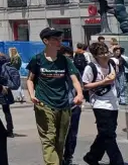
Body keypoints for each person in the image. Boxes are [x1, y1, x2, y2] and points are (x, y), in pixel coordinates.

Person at [27, 27, 84, 165]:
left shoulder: (64, 60)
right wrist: (32, 95)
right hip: (44, 103)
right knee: (48, 138)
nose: (59, 42)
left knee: (60, 140)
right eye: (55, 39)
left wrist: (80, 94)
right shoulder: (37, 59)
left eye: (60, 39)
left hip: (64, 105)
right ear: (46, 41)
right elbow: (30, 79)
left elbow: (75, 79)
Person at [81, 41, 126, 165]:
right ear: (95, 55)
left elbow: (117, 69)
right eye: (101, 54)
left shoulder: (112, 63)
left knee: (105, 134)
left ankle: (92, 156)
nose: (105, 55)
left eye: (106, 52)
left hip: (113, 103)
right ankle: (117, 162)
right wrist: (103, 82)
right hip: (100, 103)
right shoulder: (91, 67)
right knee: (109, 134)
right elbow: (85, 86)